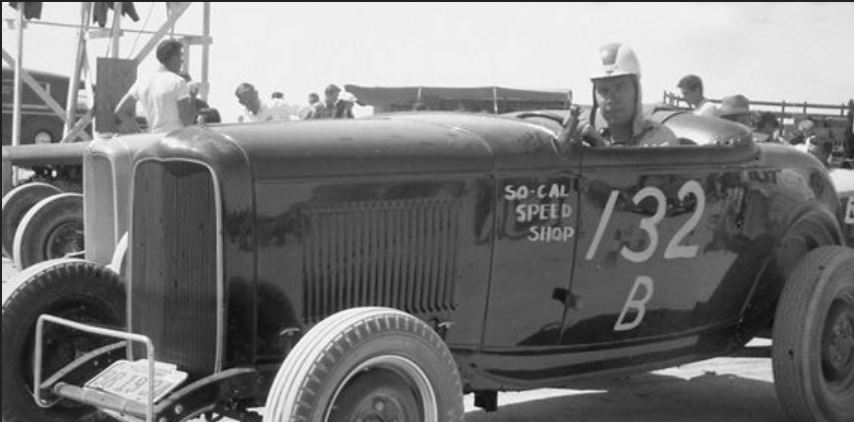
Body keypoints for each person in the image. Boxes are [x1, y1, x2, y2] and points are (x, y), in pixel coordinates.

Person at [559, 42, 677, 147]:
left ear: (636, 91)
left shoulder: (660, 141)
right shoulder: (585, 140)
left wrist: (601, 149)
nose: (612, 98)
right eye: (604, 90)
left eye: (620, 87)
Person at [114, 39, 194, 133]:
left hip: (154, 140)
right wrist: (192, 96)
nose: (182, 61)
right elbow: (188, 121)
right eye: (180, 56)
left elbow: (120, 111)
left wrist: (139, 133)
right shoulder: (178, 82)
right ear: (173, 57)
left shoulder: (142, 80)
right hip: (175, 139)